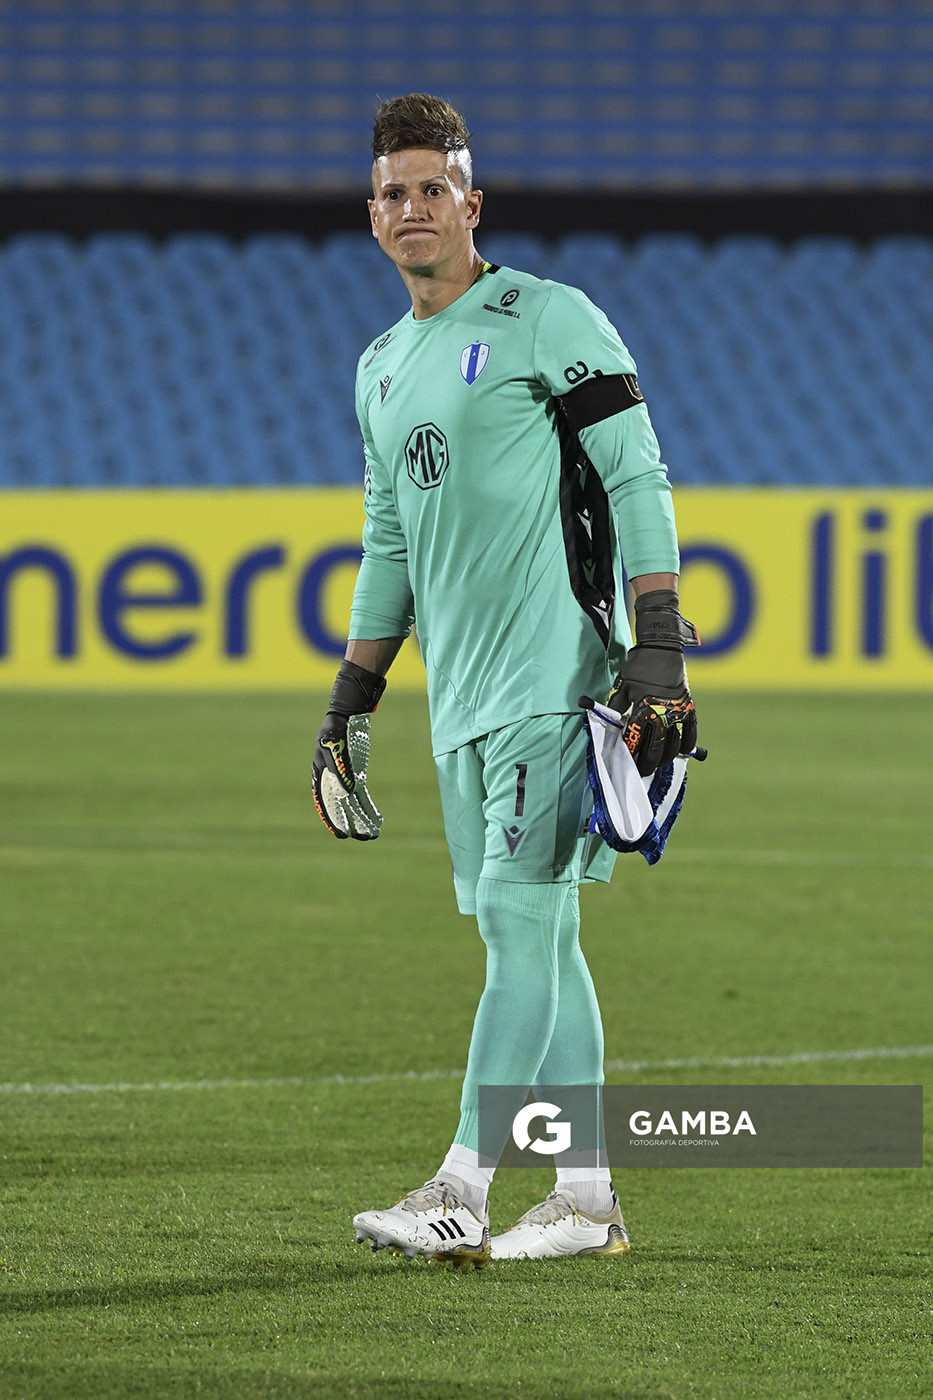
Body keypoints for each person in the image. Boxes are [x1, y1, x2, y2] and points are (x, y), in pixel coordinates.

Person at [312, 93, 699, 1268]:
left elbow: (638, 477)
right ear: (371, 215)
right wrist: (351, 698)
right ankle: (585, 1196)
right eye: (394, 192)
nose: (413, 208)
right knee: (535, 933)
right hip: (461, 700)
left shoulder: (547, 317)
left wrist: (659, 643)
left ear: (471, 204)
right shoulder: (380, 365)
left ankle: (463, 1186)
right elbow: (388, 542)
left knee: (522, 923)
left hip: (552, 679)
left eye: (434, 188)